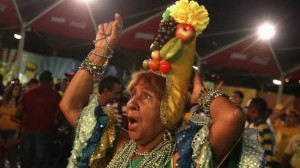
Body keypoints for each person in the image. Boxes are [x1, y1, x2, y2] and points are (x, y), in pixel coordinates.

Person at [60, 0, 264, 167]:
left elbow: (232, 117)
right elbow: (70, 105)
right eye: (133, 94)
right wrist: (100, 52)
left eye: (146, 96)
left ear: (168, 111)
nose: (131, 103)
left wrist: (200, 94)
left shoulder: (179, 160)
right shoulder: (118, 145)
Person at [16, 70, 62, 168]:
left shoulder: (28, 93)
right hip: (45, 133)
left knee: (25, 162)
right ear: (50, 81)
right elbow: (60, 115)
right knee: (41, 163)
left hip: (27, 132)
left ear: (39, 80)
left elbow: (18, 113)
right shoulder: (56, 96)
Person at [245, 97, 274, 168]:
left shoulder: (256, 128)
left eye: (247, 108)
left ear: (253, 110)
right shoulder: (263, 125)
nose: (246, 111)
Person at [0, 81, 22, 168]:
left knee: (12, 157)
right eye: (15, 89)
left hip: (12, 131)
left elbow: (20, 120)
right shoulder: (2, 101)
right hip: (1, 130)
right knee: (1, 157)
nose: (17, 91)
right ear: (10, 90)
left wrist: (17, 133)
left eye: (18, 90)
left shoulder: (18, 103)